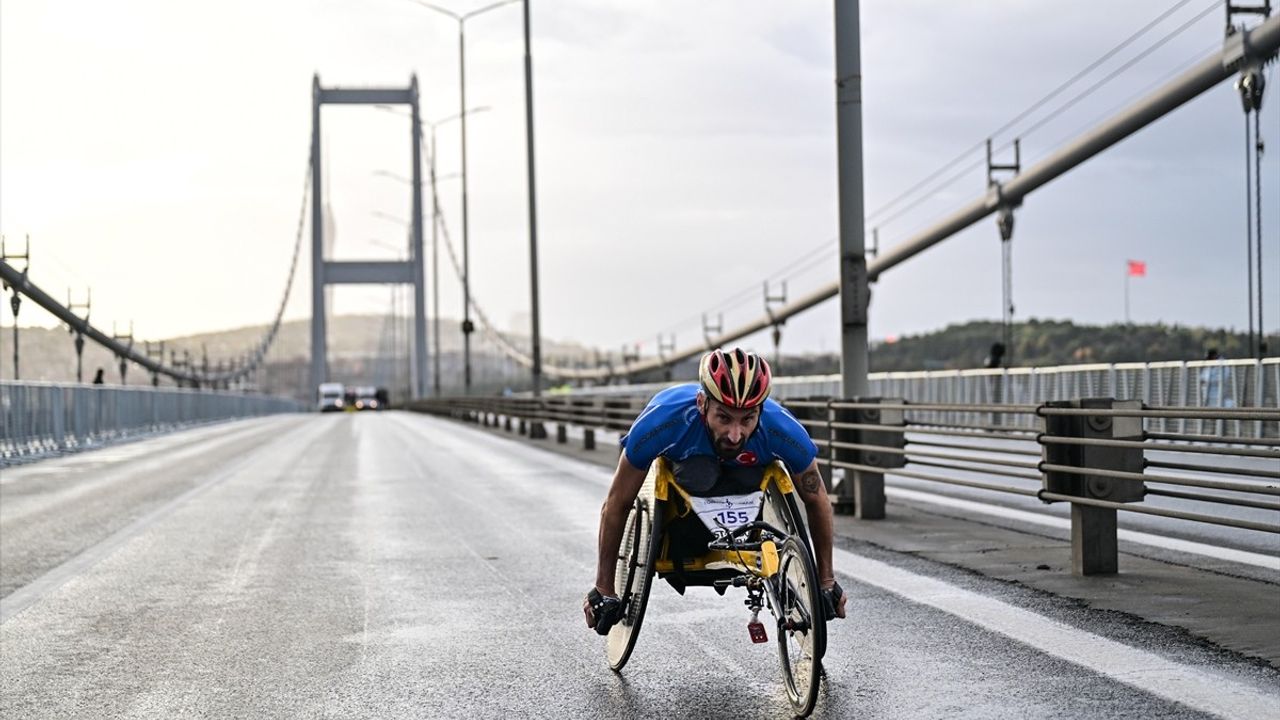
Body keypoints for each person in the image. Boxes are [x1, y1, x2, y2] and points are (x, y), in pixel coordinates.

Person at [584, 347, 848, 635]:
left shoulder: (781, 429)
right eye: (724, 418)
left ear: (760, 412)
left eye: (747, 420)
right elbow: (617, 503)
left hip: (746, 478)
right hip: (690, 475)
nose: (735, 434)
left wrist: (826, 581)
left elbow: (816, 498)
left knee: (749, 474)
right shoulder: (662, 423)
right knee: (701, 474)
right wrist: (604, 587)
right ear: (701, 404)